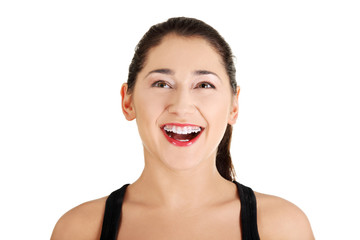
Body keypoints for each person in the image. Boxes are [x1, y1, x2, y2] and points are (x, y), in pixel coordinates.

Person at [51, 17, 314, 240]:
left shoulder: (283, 227)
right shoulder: (78, 229)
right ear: (127, 101)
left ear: (234, 106)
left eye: (204, 85)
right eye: (162, 84)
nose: (181, 106)